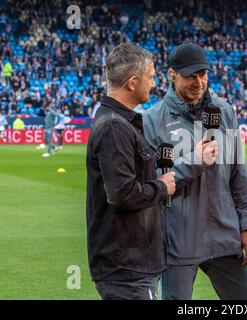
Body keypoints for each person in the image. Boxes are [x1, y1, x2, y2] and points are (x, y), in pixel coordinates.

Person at [143, 43, 247, 300]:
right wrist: (195, 161)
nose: (198, 82)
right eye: (190, 76)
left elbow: (239, 173)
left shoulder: (224, 111)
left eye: (202, 74)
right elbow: (154, 183)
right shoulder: (152, 120)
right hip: (178, 240)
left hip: (225, 235)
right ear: (172, 75)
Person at [86, 42, 176, 300]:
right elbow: (123, 193)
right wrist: (162, 186)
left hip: (129, 264)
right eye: (150, 76)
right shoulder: (115, 126)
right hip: (126, 267)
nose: (154, 82)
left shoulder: (117, 121)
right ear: (133, 82)